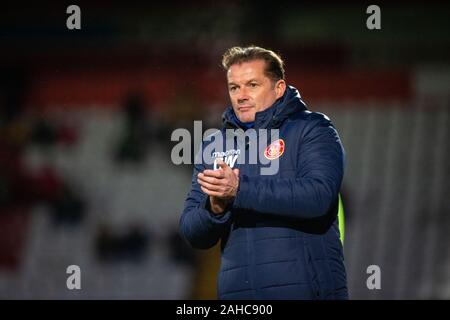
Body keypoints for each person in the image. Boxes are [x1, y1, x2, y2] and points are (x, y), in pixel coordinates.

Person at [179, 46, 348, 300]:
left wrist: (239, 190)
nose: (241, 95)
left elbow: (318, 197)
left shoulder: (313, 130)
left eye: (252, 85)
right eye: (234, 88)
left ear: (278, 88)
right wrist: (214, 208)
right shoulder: (215, 145)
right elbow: (192, 231)